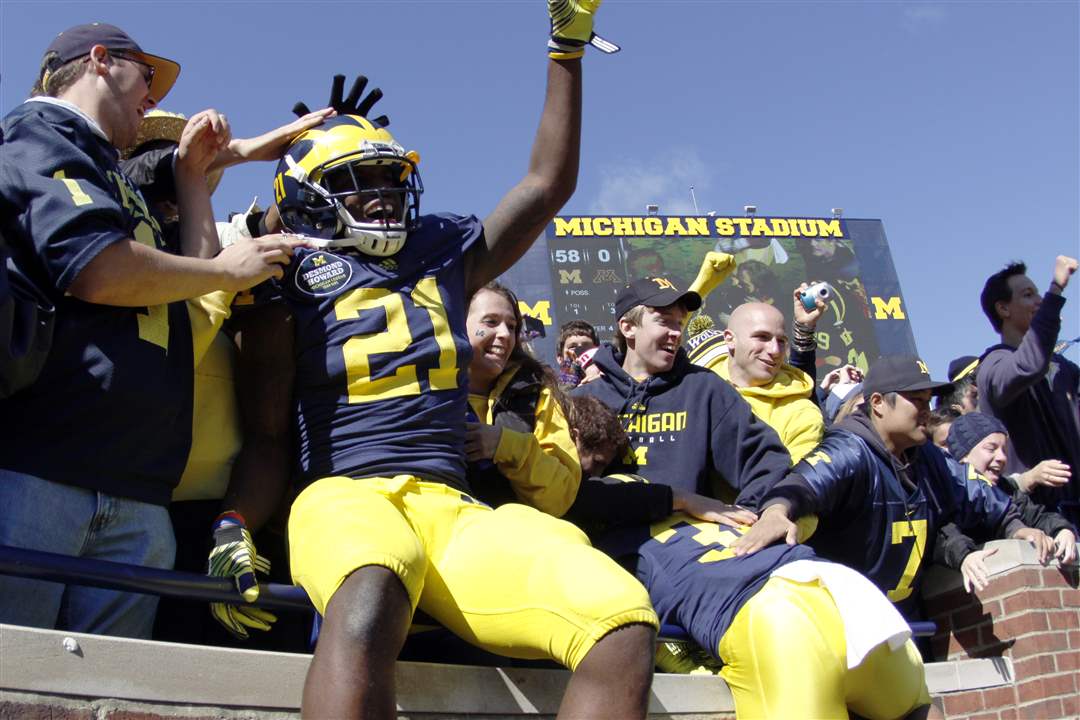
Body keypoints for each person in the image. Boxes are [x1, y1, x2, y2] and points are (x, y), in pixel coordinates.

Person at [221, 7, 662, 717]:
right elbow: (269, 434)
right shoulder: (282, 279)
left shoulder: (440, 253)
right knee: (370, 589)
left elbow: (546, 184)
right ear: (307, 200)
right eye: (360, 179)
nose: (384, 195)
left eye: (390, 177)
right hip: (343, 493)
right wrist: (234, 521)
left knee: (620, 614)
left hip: (449, 503)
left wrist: (566, 52)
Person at [0, 22, 300, 638]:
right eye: (147, 75)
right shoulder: (39, 131)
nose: (154, 97)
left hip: (137, 487)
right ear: (101, 61)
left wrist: (197, 174)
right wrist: (223, 266)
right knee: (18, 681)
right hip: (42, 473)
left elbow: (195, 279)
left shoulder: (109, 172)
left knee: (114, 695)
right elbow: (100, 269)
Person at [564, 396, 936, 720]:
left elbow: (641, 626)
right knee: (914, 705)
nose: (593, 472)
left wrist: (694, 666)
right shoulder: (696, 503)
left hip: (776, 620)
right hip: (843, 591)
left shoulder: (593, 526)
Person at [733, 355, 1035, 621]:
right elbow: (803, 483)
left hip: (905, 623)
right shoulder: (851, 450)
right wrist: (776, 512)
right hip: (844, 625)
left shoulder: (927, 456)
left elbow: (976, 492)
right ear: (877, 403)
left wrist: (1016, 525)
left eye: (929, 399)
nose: (927, 409)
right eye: (916, 400)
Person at [572, 275, 794, 511]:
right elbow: (560, 487)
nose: (677, 332)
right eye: (664, 321)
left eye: (679, 323)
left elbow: (768, 461)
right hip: (601, 540)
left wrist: (751, 516)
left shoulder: (704, 389)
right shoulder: (583, 400)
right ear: (628, 327)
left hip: (688, 536)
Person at [976, 257, 1080, 526]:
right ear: (1003, 308)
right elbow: (1029, 364)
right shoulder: (994, 365)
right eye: (1028, 295)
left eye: (1040, 294)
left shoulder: (1064, 369)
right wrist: (1056, 288)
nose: (1039, 301)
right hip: (1041, 518)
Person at [464, 281, 580, 516]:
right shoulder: (422, 388)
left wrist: (506, 445)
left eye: (512, 326)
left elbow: (560, 495)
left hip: (518, 535)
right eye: (491, 322)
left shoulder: (537, 393)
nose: (505, 334)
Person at [936, 412, 1075, 592]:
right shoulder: (948, 493)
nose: (1002, 457)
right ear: (964, 456)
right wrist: (964, 556)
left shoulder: (1005, 489)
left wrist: (1062, 530)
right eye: (991, 448)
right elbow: (944, 532)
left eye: (1004, 450)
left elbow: (1036, 515)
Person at [693, 295, 826, 463]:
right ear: (730, 339)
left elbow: (793, 485)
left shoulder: (801, 414)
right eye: (762, 337)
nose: (775, 350)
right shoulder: (695, 381)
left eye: (781, 341)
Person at [554, 318, 598, 388]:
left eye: (586, 345)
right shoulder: (553, 390)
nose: (579, 350)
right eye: (572, 347)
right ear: (560, 358)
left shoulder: (610, 380)